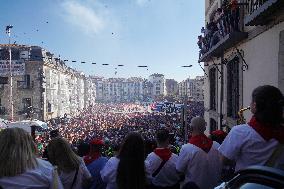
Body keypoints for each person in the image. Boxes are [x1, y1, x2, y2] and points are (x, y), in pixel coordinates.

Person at [219, 85, 284, 172]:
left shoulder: (239, 132)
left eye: (252, 101)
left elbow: (223, 161)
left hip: (247, 183)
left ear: (255, 105)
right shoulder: (281, 132)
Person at [176, 117, 222, 189]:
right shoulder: (217, 145)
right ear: (204, 128)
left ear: (191, 128)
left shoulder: (186, 148)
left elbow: (179, 170)